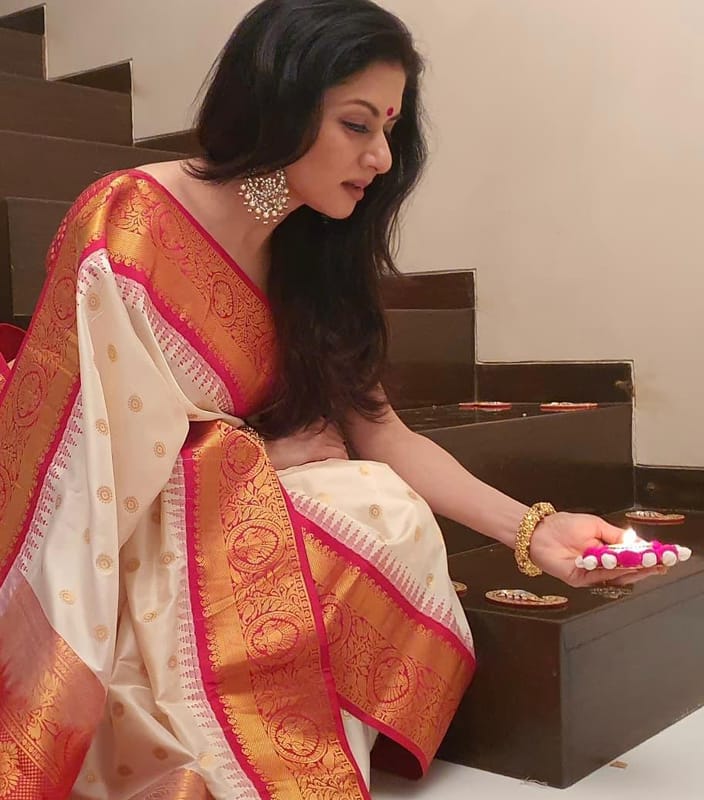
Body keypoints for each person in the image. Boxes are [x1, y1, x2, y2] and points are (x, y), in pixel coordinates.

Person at [0, 1, 663, 797]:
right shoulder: (132, 224)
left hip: (212, 525)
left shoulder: (313, 255)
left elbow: (382, 432)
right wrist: (248, 451)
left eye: (389, 128)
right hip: (114, 544)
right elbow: (84, 466)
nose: (380, 156)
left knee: (381, 505)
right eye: (356, 124)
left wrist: (537, 531)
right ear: (278, 102)